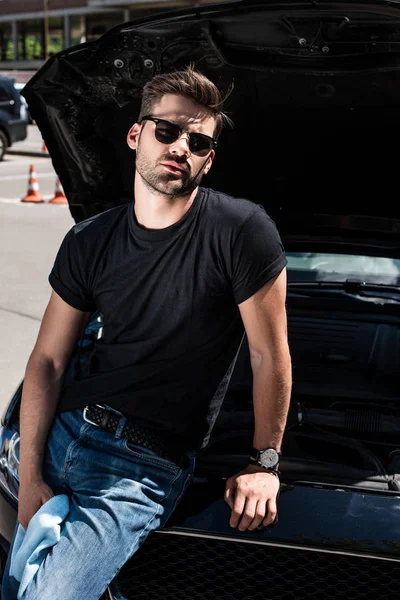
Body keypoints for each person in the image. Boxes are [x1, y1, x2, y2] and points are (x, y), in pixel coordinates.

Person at [2, 65, 292, 600]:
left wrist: (265, 462)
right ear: (136, 135)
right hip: (62, 435)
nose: (181, 145)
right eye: (167, 130)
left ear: (209, 158)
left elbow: (268, 355)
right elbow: (46, 363)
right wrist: (29, 477)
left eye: (198, 140)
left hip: (140, 467)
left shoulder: (240, 231)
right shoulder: (91, 240)